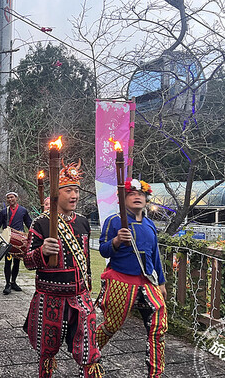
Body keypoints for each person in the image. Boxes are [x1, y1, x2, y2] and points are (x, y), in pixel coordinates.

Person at [23, 160, 102, 378]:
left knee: (89, 351)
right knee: (47, 350)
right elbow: (28, 262)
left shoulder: (84, 222)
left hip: (80, 296)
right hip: (50, 297)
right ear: (57, 194)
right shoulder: (40, 223)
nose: (74, 195)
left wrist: (88, 287)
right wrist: (43, 253)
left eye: (76, 190)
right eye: (68, 190)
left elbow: (85, 259)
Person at [97, 178, 167, 378]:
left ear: (146, 199)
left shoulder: (150, 224)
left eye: (141, 194)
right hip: (120, 278)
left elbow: (155, 256)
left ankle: (155, 372)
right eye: (131, 194)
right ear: (122, 199)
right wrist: (117, 240)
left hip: (147, 281)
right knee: (112, 325)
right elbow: (103, 250)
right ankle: (89, 355)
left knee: (159, 325)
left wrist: (161, 283)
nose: (137, 197)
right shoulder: (114, 221)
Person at [0, 191, 32, 294]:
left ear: (16, 198)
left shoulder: (23, 210)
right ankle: (7, 284)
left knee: (17, 263)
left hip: (19, 239)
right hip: (8, 240)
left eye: (12, 197)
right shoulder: (4, 211)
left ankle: (13, 282)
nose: (10, 199)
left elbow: (29, 223)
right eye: (8, 198)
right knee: (8, 262)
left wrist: (32, 234)